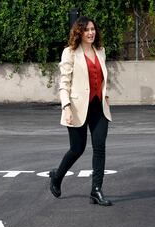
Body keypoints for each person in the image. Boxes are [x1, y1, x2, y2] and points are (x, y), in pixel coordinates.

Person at [49, 16, 112, 206]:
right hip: (76, 108)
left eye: (93, 29)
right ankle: (57, 176)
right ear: (79, 33)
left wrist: (105, 95)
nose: (91, 33)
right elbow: (64, 83)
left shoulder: (100, 51)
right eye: (86, 30)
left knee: (99, 147)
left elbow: (101, 80)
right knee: (77, 148)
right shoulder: (70, 53)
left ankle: (96, 191)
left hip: (98, 107)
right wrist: (66, 106)